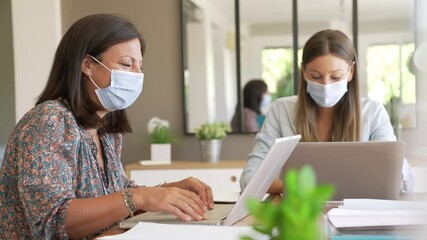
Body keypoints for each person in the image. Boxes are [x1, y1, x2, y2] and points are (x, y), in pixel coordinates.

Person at [0, 14, 214, 239]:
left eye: (139, 65)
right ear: (87, 65)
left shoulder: (107, 131)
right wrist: (141, 197)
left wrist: (165, 193)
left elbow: (118, 203)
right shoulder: (48, 122)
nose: (138, 75)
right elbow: (52, 222)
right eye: (126, 64)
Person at [240, 29, 414, 194]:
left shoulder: (372, 112)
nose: (326, 85)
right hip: (300, 214)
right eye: (316, 76)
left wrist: (386, 162)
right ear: (304, 72)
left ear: (351, 71)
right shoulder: (281, 111)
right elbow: (249, 180)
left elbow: (405, 182)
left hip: (354, 213)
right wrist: (305, 188)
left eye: (336, 77)